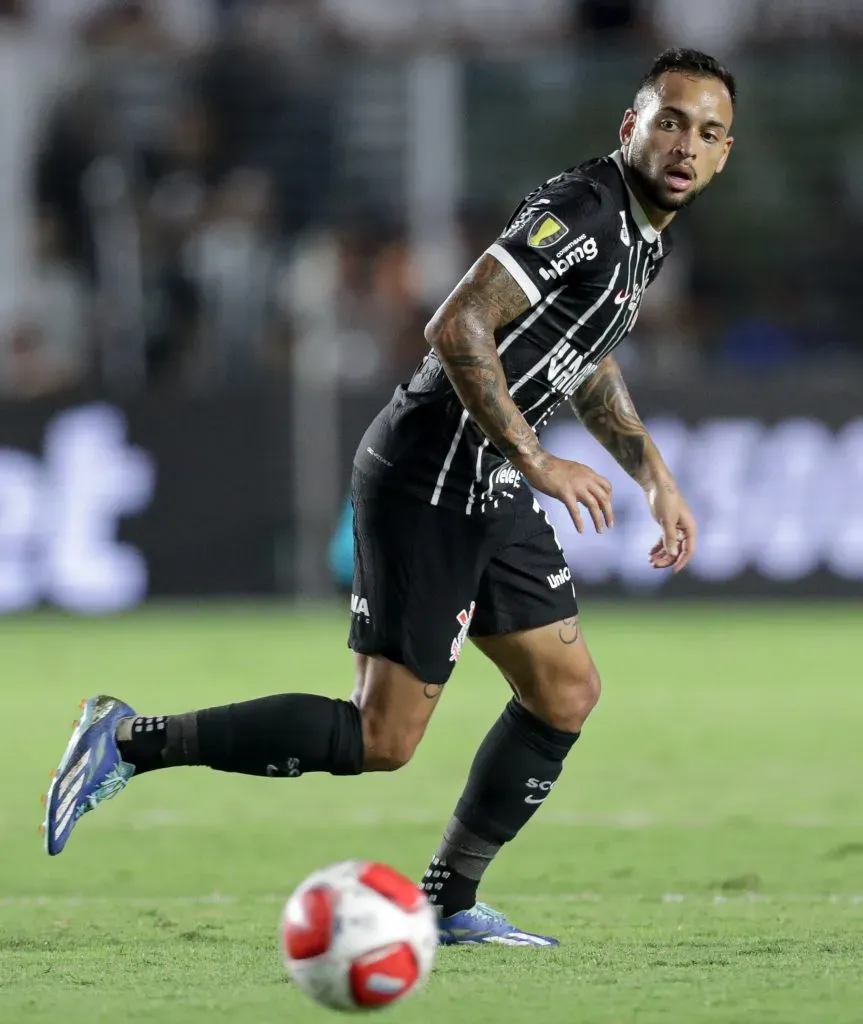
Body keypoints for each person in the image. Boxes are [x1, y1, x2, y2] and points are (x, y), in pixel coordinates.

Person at [43, 47, 735, 947]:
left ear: (725, 154)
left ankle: (448, 902)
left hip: (486, 479)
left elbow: (583, 350)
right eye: (671, 120)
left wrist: (653, 473)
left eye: (708, 131)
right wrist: (535, 460)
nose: (686, 143)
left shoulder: (645, 232)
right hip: (433, 475)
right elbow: (458, 321)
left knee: (564, 692)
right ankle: (130, 739)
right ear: (629, 128)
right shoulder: (586, 209)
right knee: (385, 737)